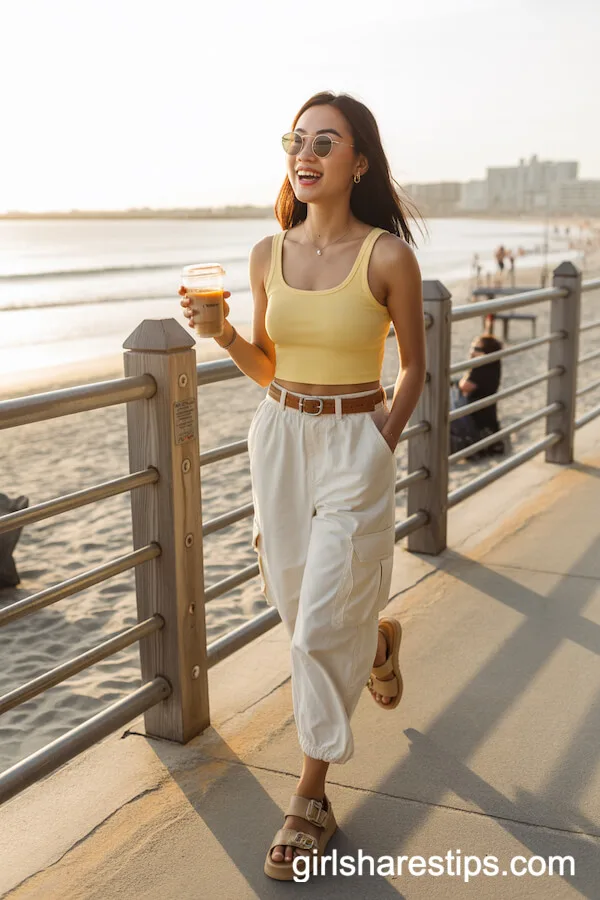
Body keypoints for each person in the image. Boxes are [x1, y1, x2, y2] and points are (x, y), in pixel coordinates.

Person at [180, 91, 426, 880]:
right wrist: (222, 336)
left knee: (320, 624)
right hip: (280, 437)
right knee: (298, 609)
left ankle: (310, 797)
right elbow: (268, 367)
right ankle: (378, 639)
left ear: (359, 162)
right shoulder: (265, 254)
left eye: (327, 140)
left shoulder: (388, 256)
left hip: (358, 436)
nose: (306, 152)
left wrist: (380, 445)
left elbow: (416, 368)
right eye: (297, 138)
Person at [451, 335, 505, 457]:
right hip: (487, 416)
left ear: (487, 353)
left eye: (476, 349)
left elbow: (464, 386)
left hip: (477, 419)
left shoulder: (481, 368)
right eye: (472, 348)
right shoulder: (493, 365)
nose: (472, 352)